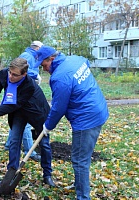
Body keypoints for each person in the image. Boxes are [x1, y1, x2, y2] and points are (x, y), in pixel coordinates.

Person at [35, 46, 109, 199]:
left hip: (87, 119)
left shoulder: (60, 77)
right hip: (98, 109)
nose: (44, 69)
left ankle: (83, 196)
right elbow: (86, 62)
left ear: (52, 59)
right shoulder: (75, 59)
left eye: (44, 65)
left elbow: (58, 108)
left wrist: (48, 126)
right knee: (81, 157)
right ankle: (78, 184)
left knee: (80, 160)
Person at [0, 57, 55, 187]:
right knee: (14, 141)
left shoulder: (29, 85)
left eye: (15, 75)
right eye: (10, 72)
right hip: (18, 113)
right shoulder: (4, 74)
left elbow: (12, 105)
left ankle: (47, 174)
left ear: (24, 74)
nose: (11, 76)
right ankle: (11, 174)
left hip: (36, 112)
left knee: (44, 144)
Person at [4, 41, 43, 162]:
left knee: (18, 120)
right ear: (36, 48)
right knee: (25, 122)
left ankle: (9, 144)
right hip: (21, 91)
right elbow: (18, 70)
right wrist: (35, 75)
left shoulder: (33, 56)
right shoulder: (27, 56)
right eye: (41, 49)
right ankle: (29, 151)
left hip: (27, 90)